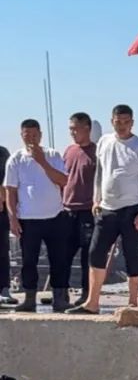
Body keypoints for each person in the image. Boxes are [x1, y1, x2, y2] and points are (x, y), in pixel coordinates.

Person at [68, 104, 138, 315]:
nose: (122, 126)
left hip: (132, 208)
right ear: (112, 121)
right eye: (118, 122)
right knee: (95, 252)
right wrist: (96, 199)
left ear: (132, 123)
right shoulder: (104, 142)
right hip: (107, 207)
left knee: (131, 254)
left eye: (126, 122)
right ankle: (92, 302)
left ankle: (133, 302)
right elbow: (100, 172)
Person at [3, 119, 69, 313]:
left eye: (34, 135)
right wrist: (12, 218)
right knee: (28, 261)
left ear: (40, 135)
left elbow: (63, 180)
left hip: (55, 216)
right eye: (27, 135)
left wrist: (42, 161)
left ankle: (60, 298)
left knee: (59, 259)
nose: (31, 138)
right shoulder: (15, 159)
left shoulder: (53, 155)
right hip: (28, 219)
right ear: (21, 136)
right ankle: (29, 298)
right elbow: (10, 191)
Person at [62, 112, 97, 308]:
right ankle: (61, 293)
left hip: (88, 211)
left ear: (87, 128)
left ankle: (86, 294)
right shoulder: (69, 151)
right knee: (63, 254)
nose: (72, 133)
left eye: (76, 129)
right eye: (70, 129)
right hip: (67, 210)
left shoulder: (97, 152)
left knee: (87, 256)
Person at [0, 141, 12, 307]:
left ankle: (3, 288)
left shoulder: (2, 153)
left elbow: (8, 180)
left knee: (2, 250)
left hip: (1, 211)